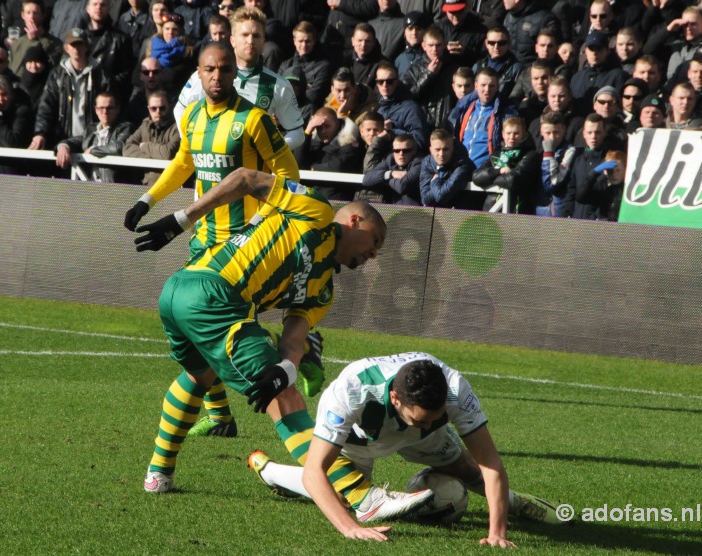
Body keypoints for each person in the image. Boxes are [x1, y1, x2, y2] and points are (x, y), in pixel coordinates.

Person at [135, 165, 438, 540]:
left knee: (201, 376)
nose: (373, 256)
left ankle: (158, 474)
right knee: (286, 400)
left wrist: (286, 370)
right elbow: (246, 178)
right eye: (374, 242)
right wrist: (182, 219)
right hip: (214, 293)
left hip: (181, 293)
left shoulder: (323, 289)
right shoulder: (316, 209)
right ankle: (362, 495)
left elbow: (294, 341)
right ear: (356, 220)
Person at [124, 43, 319, 438]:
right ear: (198, 73)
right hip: (203, 238)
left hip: (244, 242)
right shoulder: (193, 116)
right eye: (210, 70)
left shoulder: (254, 120)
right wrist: (147, 200)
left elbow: (288, 175)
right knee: (197, 327)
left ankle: (303, 349)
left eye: (225, 69)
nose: (217, 77)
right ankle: (222, 418)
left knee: (223, 329)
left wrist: (263, 220)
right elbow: (184, 163)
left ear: (234, 73)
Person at [246, 352, 561, 546]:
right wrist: (350, 529)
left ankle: (517, 503)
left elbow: (490, 463)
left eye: (435, 418)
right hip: (360, 439)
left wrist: (497, 533)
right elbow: (315, 472)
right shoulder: (350, 391)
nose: (427, 423)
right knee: (338, 497)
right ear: (395, 399)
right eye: (420, 419)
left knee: (469, 471)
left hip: (421, 442)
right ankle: (270, 471)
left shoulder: (454, 390)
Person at [172, 6, 305, 150]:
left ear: (263, 41)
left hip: (252, 171)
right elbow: (180, 108)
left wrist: (270, 150)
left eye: (256, 36)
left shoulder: (278, 85)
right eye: (244, 35)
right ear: (233, 40)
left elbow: (297, 132)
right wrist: (192, 142)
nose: (250, 41)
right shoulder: (208, 74)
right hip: (212, 167)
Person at [29, 28, 110, 151]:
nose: (76, 48)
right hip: (62, 140)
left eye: (80, 44)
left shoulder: (101, 74)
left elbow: (110, 108)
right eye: (72, 45)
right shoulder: (57, 74)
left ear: (87, 47)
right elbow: (46, 107)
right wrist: (40, 133)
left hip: (93, 142)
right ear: (66, 48)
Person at [55, 91, 135, 181]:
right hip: (91, 187)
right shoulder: (91, 129)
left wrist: (93, 150)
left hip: (115, 188)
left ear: (117, 109)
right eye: (101, 108)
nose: (105, 112)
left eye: (109, 108)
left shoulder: (125, 127)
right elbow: (74, 141)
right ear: (96, 110)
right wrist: (63, 147)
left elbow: (119, 147)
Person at [448, 66, 518, 169]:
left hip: (486, 171)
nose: (487, 90)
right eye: (483, 85)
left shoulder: (506, 112)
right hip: (461, 170)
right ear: (476, 86)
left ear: (498, 86)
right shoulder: (463, 108)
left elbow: (511, 144)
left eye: (491, 86)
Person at [471, 115, 539, 213]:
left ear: (523, 134)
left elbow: (513, 180)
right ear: (503, 134)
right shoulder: (496, 155)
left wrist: (490, 179)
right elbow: (476, 177)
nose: (512, 137)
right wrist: (499, 171)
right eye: (508, 133)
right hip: (492, 210)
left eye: (516, 133)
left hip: (517, 211)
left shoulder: (530, 155)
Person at [401, 25, 459, 131]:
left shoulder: (454, 69)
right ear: (424, 46)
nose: (434, 49)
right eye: (431, 45)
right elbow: (407, 97)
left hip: (448, 126)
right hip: (423, 126)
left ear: (444, 45)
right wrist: (429, 74)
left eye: (438, 45)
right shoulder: (414, 69)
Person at [300, 106, 364, 198]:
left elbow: (339, 166)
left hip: (338, 200)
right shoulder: (313, 143)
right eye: (318, 128)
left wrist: (314, 167)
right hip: (311, 198)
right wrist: (308, 131)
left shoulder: (350, 142)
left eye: (327, 126)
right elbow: (298, 163)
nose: (323, 131)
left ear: (337, 124)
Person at [122, 89, 181, 187]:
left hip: (172, 187)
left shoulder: (178, 127)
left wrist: (144, 146)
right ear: (149, 109)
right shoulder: (145, 125)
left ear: (170, 107)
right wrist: (149, 159)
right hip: (147, 186)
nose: (158, 112)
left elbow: (167, 153)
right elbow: (127, 148)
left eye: (162, 108)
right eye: (154, 108)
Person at [0, 74, 35, 174]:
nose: (0, 99)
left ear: (12, 95)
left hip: (14, 172)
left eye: (4, 94)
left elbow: (12, 142)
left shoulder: (22, 112)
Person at [277, 21, 333, 108]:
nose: (304, 45)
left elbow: (314, 96)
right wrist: (305, 88)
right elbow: (277, 91)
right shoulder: (285, 65)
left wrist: (290, 90)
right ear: (294, 41)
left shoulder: (323, 67)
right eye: (300, 41)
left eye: (308, 41)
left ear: (314, 41)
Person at [569, 31, 629, 113]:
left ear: (607, 51)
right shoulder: (576, 77)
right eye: (591, 49)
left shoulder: (618, 76)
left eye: (599, 49)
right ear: (585, 51)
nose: (594, 53)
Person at [374, 61, 428, 150]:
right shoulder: (377, 108)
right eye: (380, 81)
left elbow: (420, 141)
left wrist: (392, 132)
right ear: (376, 83)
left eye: (389, 81)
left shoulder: (411, 108)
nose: (385, 85)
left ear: (397, 82)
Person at [419, 128, 477, 209]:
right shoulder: (427, 163)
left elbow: (441, 196)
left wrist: (435, 181)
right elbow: (425, 199)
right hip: (440, 214)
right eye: (437, 150)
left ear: (452, 148)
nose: (441, 154)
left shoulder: (462, 163)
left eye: (445, 149)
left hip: (465, 213)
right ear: (431, 150)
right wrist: (441, 187)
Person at [360, 133, 423, 205]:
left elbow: (402, 186)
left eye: (405, 150)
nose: (401, 154)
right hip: (393, 209)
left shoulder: (420, 162)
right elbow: (366, 179)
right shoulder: (390, 159)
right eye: (396, 150)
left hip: (415, 211)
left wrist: (385, 179)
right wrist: (391, 174)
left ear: (414, 150)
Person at [9, 0, 64, 77]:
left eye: (35, 13)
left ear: (43, 15)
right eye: (28, 13)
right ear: (23, 15)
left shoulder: (55, 43)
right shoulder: (17, 43)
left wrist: (35, 40)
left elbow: (52, 66)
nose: (32, 17)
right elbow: (14, 69)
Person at [538, 111, 577, 217]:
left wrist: (549, 155)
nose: (552, 137)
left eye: (556, 132)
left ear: (564, 129)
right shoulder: (537, 150)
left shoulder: (570, 151)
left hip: (559, 210)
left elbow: (552, 184)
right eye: (548, 133)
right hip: (539, 209)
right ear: (541, 131)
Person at [502, 0, 561, 65]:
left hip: (535, 69)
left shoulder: (545, 19)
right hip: (510, 68)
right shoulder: (508, 18)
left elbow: (552, 48)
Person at [471, 26, 522, 101]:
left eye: (501, 43)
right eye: (491, 43)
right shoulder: (477, 66)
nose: (496, 47)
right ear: (486, 43)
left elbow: (516, 97)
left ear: (509, 44)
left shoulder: (516, 68)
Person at [576, 149, 626, 221]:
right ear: (605, 171)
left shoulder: (628, 190)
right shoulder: (603, 186)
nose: (614, 174)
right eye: (610, 171)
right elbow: (581, 197)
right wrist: (593, 173)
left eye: (618, 170)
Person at [436, 0, 488, 69]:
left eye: (459, 12)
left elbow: (485, 56)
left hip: (468, 72)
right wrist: (444, 49)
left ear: (466, 8)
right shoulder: (438, 27)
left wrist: (466, 52)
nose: (455, 16)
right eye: (452, 12)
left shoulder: (480, 29)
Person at [345, 22, 386, 87]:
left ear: (374, 42)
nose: (363, 45)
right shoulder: (345, 62)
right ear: (353, 41)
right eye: (360, 40)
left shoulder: (382, 65)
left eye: (367, 41)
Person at [394, 10, 426, 80]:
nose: (414, 33)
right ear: (404, 32)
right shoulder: (399, 60)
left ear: (425, 31)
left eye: (418, 29)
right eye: (410, 29)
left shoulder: (429, 57)